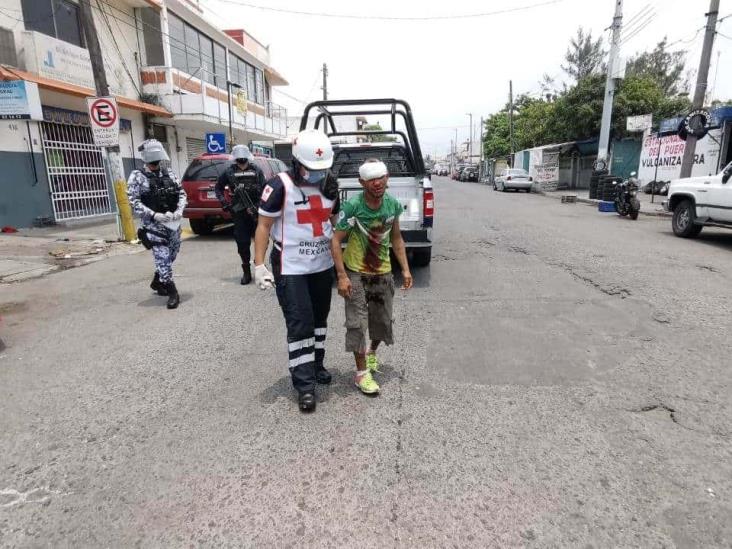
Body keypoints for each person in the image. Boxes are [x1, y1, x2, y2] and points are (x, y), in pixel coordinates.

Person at [253, 129, 340, 412]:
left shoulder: (330, 184)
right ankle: (304, 385)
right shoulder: (279, 185)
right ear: (296, 162)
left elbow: (333, 223)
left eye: (321, 170)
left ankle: (316, 364)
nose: (316, 175)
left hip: (321, 265)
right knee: (300, 322)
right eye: (310, 169)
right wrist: (258, 265)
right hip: (291, 268)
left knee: (319, 319)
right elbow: (264, 226)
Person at [330, 159, 413, 395]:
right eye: (371, 179)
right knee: (357, 324)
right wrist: (342, 276)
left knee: (383, 321)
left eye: (381, 177)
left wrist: (405, 269)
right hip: (356, 272)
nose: (377, 183)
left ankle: (372, 353)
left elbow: (396, 238)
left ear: (387, 178)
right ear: (361, 182)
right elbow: (335, 241)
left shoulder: (392, 205)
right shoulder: (353, 207)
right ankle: (361, 374)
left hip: (382, 272)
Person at [127, 139, 187, 309]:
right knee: (162, 258)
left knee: (172, 255)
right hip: (154, 226)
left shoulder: (170, 174)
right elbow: (133, 201)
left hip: (173, 224)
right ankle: (172, 292)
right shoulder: (137, 176)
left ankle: (157, 281)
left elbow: (181, 194)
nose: (155, 163)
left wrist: (179, 211)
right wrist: (153, 214)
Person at [215, 144, 266, 285]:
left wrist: (257, 207)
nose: (241, 162)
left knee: (261, 241)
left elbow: (265, 190)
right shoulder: (229, 172)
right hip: (239, 213)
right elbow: (218, 188)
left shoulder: (256, 170)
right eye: (239, 160)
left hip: (256, 212)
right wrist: (225, 203)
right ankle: (246, 271)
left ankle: (259, 267)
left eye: (243, 159)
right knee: (242, 243)